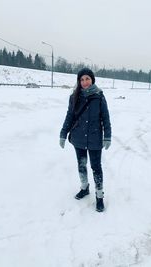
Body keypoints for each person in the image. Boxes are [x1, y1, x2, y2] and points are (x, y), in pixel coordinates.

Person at [59, 68, 111, 212]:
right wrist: (63, 133)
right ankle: (84, 187)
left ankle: (99, 196)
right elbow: (69, 116)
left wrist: (107, 136)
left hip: (95, 139)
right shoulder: (74, 97)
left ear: (92, 79)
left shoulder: (99, 96)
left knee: (96, 167)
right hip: (78, 137)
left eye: (87, 79)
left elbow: (106, 118)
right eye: (81, 79)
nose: (84, 82)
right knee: (81, 164)